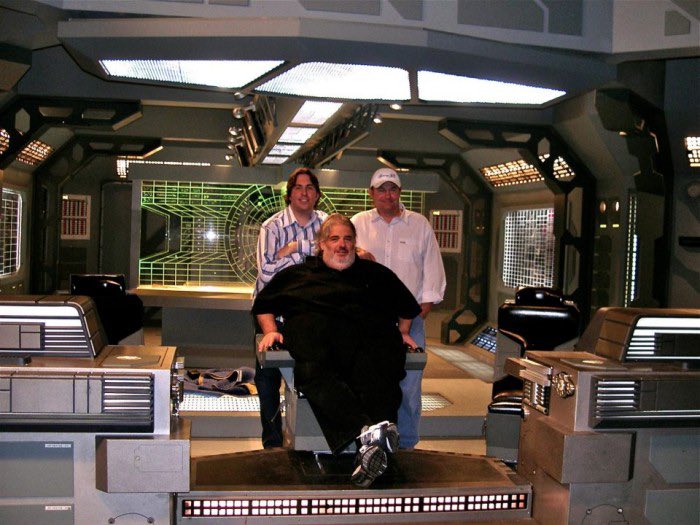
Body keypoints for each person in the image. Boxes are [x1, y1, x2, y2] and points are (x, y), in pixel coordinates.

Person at [252, 214, 421, 487]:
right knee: (313, 369)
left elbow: (407, 306)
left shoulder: (376, 274)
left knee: (383, 366)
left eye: (347, 239)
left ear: (355, 243)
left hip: (369, 348)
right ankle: (370, 436)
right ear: (322, 244)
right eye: (334, 239)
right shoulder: (299, 275)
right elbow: (263, 304)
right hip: (319, 351)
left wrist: (402, 332)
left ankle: (369, 447)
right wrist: (270, 330)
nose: (342, 245)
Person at [351, 167, 446, 450]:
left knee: (409, 388)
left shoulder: (419, 225)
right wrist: (358, 253)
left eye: (392, 189)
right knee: (367, 382)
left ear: (400, 192)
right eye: (381, 190)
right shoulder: (357, 224)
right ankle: (367, 444)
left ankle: (406, 446)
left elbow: (432, 274)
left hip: (410, 322)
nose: (387, 195)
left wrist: (417, 315)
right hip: (368, 323)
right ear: (371, 193)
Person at [253, 167, 327, 448]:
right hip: (271, 312)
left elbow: (334, 256)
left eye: (310, 188)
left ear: (317, 194)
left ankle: (308, 440)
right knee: (268, 379)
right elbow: (266, 273)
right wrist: (307, 256)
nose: (304, 193)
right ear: (289, 194)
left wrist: (295, 247)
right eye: (298, 187)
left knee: (310, 376)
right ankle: (272, 444)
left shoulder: (327, 223)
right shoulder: (272, 227)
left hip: (309, 314)